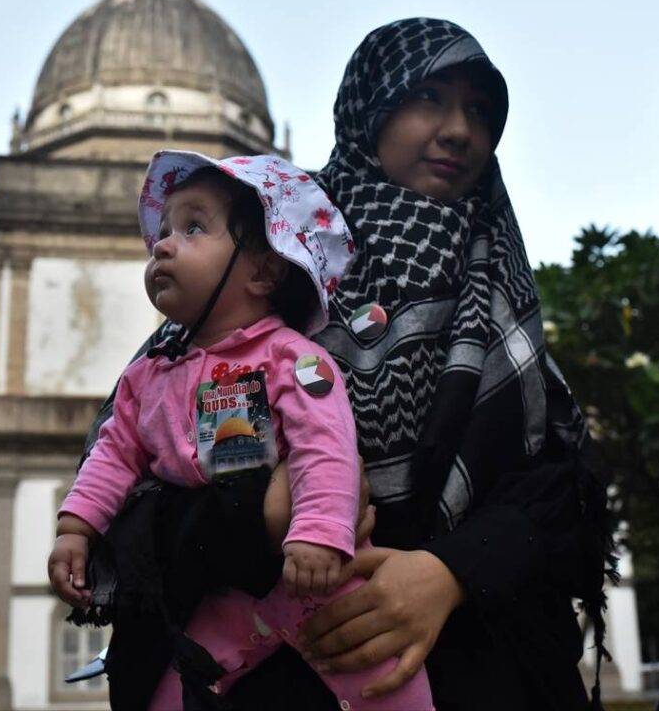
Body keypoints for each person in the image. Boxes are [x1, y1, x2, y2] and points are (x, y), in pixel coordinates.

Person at [88, 19, 615, 711]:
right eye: (427, 97)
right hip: (275, 679)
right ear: (368, 108)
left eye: (480, 111)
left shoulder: (499, 298)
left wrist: (446, 573)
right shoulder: (274, 267)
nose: (458, 130)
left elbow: (560, 498)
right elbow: (136, 479)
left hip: (479, 668)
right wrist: (260, 514)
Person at [48, 151, 434, 711]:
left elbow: (326, 449)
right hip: (224, 586)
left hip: (311, 574)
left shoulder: (293, 359)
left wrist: (320, 534)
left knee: (383, 682)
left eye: (194, 227)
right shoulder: (145, 378)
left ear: (264, 270)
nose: (162, 244)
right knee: (172, 684)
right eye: (164, 230)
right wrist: (75, 527)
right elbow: (112, 455)